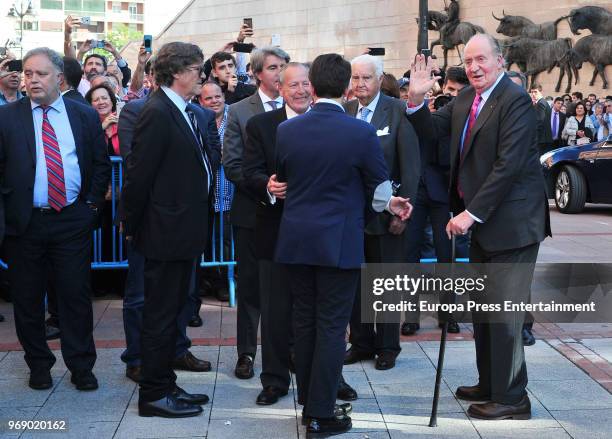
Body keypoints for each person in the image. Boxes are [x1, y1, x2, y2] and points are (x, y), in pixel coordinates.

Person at [406, 34, 551, 420]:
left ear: (500, 61)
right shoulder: (466, 99)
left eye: (481, 60)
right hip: (485, 226)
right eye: (468, 61)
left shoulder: (514, 100)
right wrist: (417, 100)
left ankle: (513, 398)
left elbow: (510, 165)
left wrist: (472, 213)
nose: (473, 67)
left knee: (504, 313)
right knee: (485, 311)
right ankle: (491, 383)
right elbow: (431, 132)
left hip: (514, 225)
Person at [274, 52, 412, 437]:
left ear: (313, 88)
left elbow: (285, 178)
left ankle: (310, 403)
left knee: (304, 322)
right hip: (339, 242)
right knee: (333, 327)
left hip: (297, 241)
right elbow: (380, 187)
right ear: (347, 87)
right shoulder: (360, 131)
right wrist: (387, 206)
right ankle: (320, 413)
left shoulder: (288, 131)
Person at [0, 47, 111, 391]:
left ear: (59, 77)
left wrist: (90, 207)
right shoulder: (7, 117)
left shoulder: (83, 115)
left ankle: (81, 366)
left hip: (71, 220)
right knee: (28, 299)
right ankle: (39, 365)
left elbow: (100, 165)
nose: (31, 79)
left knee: (75, 296)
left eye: (40, 74)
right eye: (27, 73)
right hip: (25, 223)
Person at [122, 42, 221, 418]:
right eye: (198, 69)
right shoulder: (158, 112)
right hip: (164, 233)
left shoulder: (180, 110)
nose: (203, 75)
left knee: (173, 310)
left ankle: (165, 382)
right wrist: (133, 227)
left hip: (181, 231)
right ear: (177, 72)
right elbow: (138, 176)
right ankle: (154, 393)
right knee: (161, 314)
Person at [343, 54, 420, 370]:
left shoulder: (399, 111)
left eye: (366, 78)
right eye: (355, 78)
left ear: (379, 79)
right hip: (351, 216)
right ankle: (360, 342)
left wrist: (403, 213)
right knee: (357, 282)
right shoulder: (345, 112)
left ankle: (388, 346)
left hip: (389, 215)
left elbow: (412, 167)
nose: (360, 84)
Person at [223, 46, 290, 380]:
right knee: (251, 286)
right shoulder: (238, 111)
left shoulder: (300, 108)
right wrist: (267, 186)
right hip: (252, 212)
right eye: (274, 67)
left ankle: (287, 351)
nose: (280, 73)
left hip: (292, 216)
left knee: (290, 286)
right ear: (258, 73)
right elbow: (233, 164)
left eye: (284, 66)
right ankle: (246, 353)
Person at [403, 65, 470, 337]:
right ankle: (410, 316)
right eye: (448, 90)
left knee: (447, 257)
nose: (451, 96)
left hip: (445, 194)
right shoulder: (431, 112)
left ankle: (448, 314)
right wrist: (421, 105)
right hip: (417, 191)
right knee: (410, 256)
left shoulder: (468, 115)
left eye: (457, 91)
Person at [196, 81, 233, 303]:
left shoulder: (234, 116)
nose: (214, 101)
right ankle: (205, 280)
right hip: (203, 195)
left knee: (225, 241)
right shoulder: (197, 117)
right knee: (205, 241)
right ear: (201, 101)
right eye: (208, 98)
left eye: (217, 96)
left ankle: (223, 283)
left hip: (228, 193)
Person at [85, 83, 119, 156]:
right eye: (96, 100)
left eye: (104, 98)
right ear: (90, 105)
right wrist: (101, 128)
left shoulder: (123, 120)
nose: (101, 102)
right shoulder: (87, 125)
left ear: (112, 102)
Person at [529, 83, 553, 155]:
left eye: (535, 92)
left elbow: (540, 121)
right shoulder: (540, 103)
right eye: (532, 92)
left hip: (542, 138)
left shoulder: (541, 103)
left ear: (541, 92)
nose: (533, 94)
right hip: (543, 138)